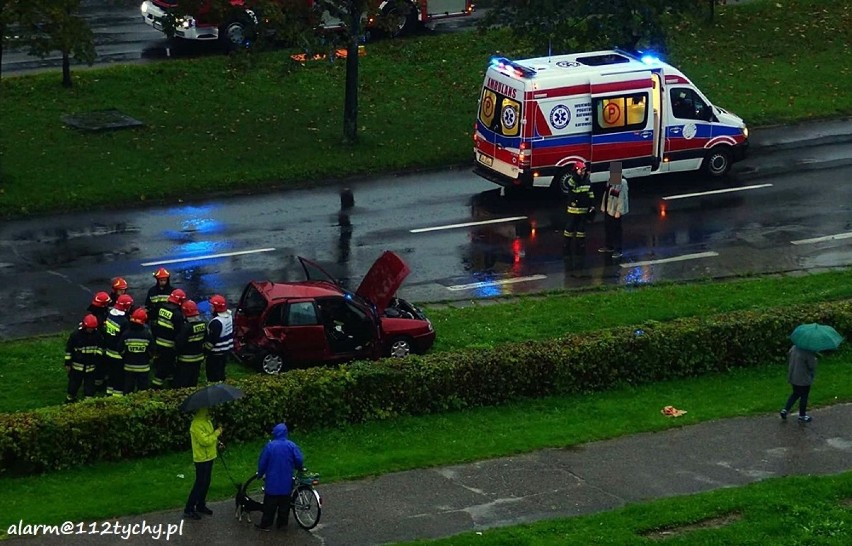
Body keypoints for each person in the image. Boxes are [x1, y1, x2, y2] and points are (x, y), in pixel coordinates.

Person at [255, 422, 304, 531]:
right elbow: (299, 460)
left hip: (272, 483)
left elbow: (263, 462)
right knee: (284, 505)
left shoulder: (270, 446)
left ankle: (266, 524)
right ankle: (282, 524)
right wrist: (298, 467)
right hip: (286, 483)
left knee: (269, 506)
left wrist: (260, 473)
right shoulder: (291, 445)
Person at [183, 407, 222, 520]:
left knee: (206, 482)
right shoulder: (196, 424)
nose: (210, 410)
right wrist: (217, 432)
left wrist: (217, 442)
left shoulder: (207, 421)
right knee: (200, 483)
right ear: (202, 409)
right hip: (201, 458)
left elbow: (210, 437)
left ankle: (200, 505)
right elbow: (204, 441)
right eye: (208, 409)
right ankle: (189, 508)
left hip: (210, 456)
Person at [151, 288, 187, 389]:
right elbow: (180, 332)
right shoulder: (177, 314)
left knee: (168, 364)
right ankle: (156, 386)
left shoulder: (162, 308)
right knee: (165, 366)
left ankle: (172, 382)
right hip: (169, 345)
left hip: (159, 341)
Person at [64, 314, 103, 403]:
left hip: (91, 367)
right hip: (77, 367)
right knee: (74, 384)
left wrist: (97, 359)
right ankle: (70, 399)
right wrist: (68, 363)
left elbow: (100, 348)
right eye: (90, 328)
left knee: (90, 386)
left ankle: (88, 401)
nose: (91, 330)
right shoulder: (75, 336)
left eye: (93, 328)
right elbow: (69, 350)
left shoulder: (97, 335)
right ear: (85, 326)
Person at [559, 161, 595, 255]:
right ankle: (566, 243)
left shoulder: (587, 181)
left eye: (584, 170)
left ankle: (580, 244)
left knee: (581, 228)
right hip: (573, 209)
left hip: (584, 209)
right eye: (581, 170)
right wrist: (576, 175)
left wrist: (592, 205)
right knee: (570, 227)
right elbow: (571, 188)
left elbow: (590, 194)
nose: (583, 172)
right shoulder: (573, 180)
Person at [102, 294, 134, 396]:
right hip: (118, 354)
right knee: (119, 376)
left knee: (111, 374)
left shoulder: (110, 315)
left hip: (109, 350)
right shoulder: (124, 321)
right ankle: (117, 396)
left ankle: (109, 392)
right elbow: (125, 338)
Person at [174, 300, 207, 388]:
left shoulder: (186, 327)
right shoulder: (203, 324)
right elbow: (205, 339)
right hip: (198, 358)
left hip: (185, 359)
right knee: (193, 380)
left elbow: (180, 343)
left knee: (182, 382)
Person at [121, 308, 154, 394]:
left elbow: (120, 349)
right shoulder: (147, 335)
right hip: (143, 368)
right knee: (143, 391)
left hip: (129, 367)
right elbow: (153, 349)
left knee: (128, 389)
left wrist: (125, 356)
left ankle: (126, 405)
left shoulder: (126, 334)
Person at [780, 345, 818, 422]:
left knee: (795, 394)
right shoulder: (808, 351)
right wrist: (815, 359)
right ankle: (802, 415)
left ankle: (785, 410)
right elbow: (812, 365)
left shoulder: (794, 348)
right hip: (803, 378)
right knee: (804, 395)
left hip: (793, 376)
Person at [204, 295, 233, 383]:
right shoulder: (229, 316)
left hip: (215, 354)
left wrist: (204, 351)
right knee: (221, 373)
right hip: (225, 352)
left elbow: (211, 341)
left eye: (212, 306)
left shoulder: (216, 322)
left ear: (216, 308)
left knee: (213, 377)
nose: (210, 308)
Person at [599, 175, 629, 258]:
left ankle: (618, 250)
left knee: (616, 230)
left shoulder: (622, 182)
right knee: (608, 228)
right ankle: (609, 246)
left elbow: (622, 198)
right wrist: (603, 206)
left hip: (615, 210)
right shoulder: (610, 181)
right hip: (609, 208)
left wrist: (618, 211)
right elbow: (606, 195)